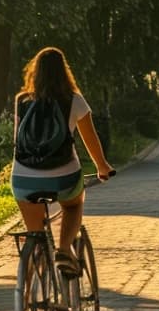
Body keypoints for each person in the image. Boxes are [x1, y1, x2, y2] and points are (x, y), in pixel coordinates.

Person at [11, 47, 114, 275]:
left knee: (33, 234)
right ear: (64, 72)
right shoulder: (74, 101)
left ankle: (27, 293)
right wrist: (102, 167)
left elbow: (18, 141)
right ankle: (64, 250)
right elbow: (90, 140)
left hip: (23, 177)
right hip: (63, 176)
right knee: (73, 204)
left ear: (34, 72)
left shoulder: (22, 101)